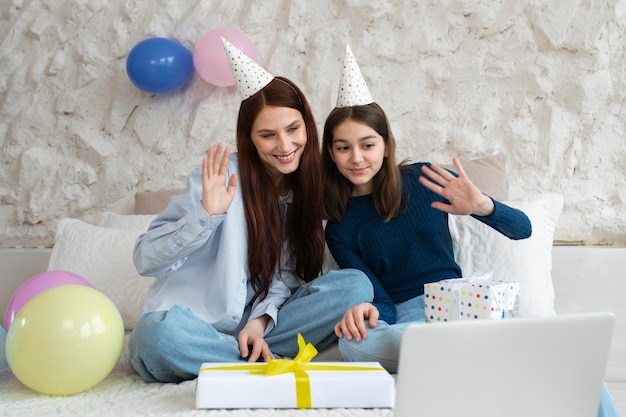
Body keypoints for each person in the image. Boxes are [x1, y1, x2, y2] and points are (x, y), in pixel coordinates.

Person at [322, 44, 620, 417]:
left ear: (385, 145)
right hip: (411, 323)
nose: (357, 157)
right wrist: (366, 310)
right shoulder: (339, 226)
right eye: (343, 147)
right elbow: (382, 302)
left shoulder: (422, 178)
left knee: (570, 357)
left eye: (367, 144)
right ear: (331, 154)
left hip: (462, 306)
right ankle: (477, 354)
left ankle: (474, 352)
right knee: (352, 344)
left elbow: (522, 229)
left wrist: (482, 205)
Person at [127, 39, 373, 383]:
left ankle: (248, 357)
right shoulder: (217, 177)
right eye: (268, 135)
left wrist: (259, 323)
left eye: (292, 129)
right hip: (193, 329)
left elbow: (285, 277)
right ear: (250, 138)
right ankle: (265, 364)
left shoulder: (305, 190)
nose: (285, 146)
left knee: (356, 287)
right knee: (155, 336)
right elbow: (146, 259)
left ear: (307, 127)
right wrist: (206, 215)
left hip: (260, 330)